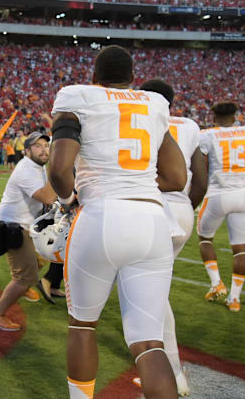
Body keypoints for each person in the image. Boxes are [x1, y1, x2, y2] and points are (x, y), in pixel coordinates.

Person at [48, 45, 186, 399]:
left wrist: (67, 202)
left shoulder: (77, 95)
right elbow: (176, 176)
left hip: (101, 216)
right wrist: (134, 184)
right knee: (149, 342)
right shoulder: (154, 103)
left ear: (95, 77)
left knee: (82, 326)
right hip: (153, 221)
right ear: (132, 79)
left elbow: (59, 169)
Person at [136, 79, 208, 396]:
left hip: (152, 210)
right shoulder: (191, 125)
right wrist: (185, 211)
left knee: (153, 296)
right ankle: (167, 368)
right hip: (182, 213)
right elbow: (201, 180)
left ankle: (173, 372)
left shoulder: (137, 116)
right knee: (153, 292)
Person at [0, 132, 57, 331]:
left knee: (45, 255)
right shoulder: (27, 169)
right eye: (37, 146)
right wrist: (58, 170)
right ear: (26, 151)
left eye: (46, 145)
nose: (44, 149)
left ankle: (24, 284)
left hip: (25, 225)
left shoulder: (37, 167)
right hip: (14, 228)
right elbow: (46, 197)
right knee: (25, 277)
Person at [197, 102, 245, 313]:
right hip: (242, 195)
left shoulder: (207, 135)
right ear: (235, 116)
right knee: (240, 249)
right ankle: (234, 298)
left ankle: (217, 284)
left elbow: (203, 167)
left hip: (217, 194)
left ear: (213, 117)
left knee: (205, 239)